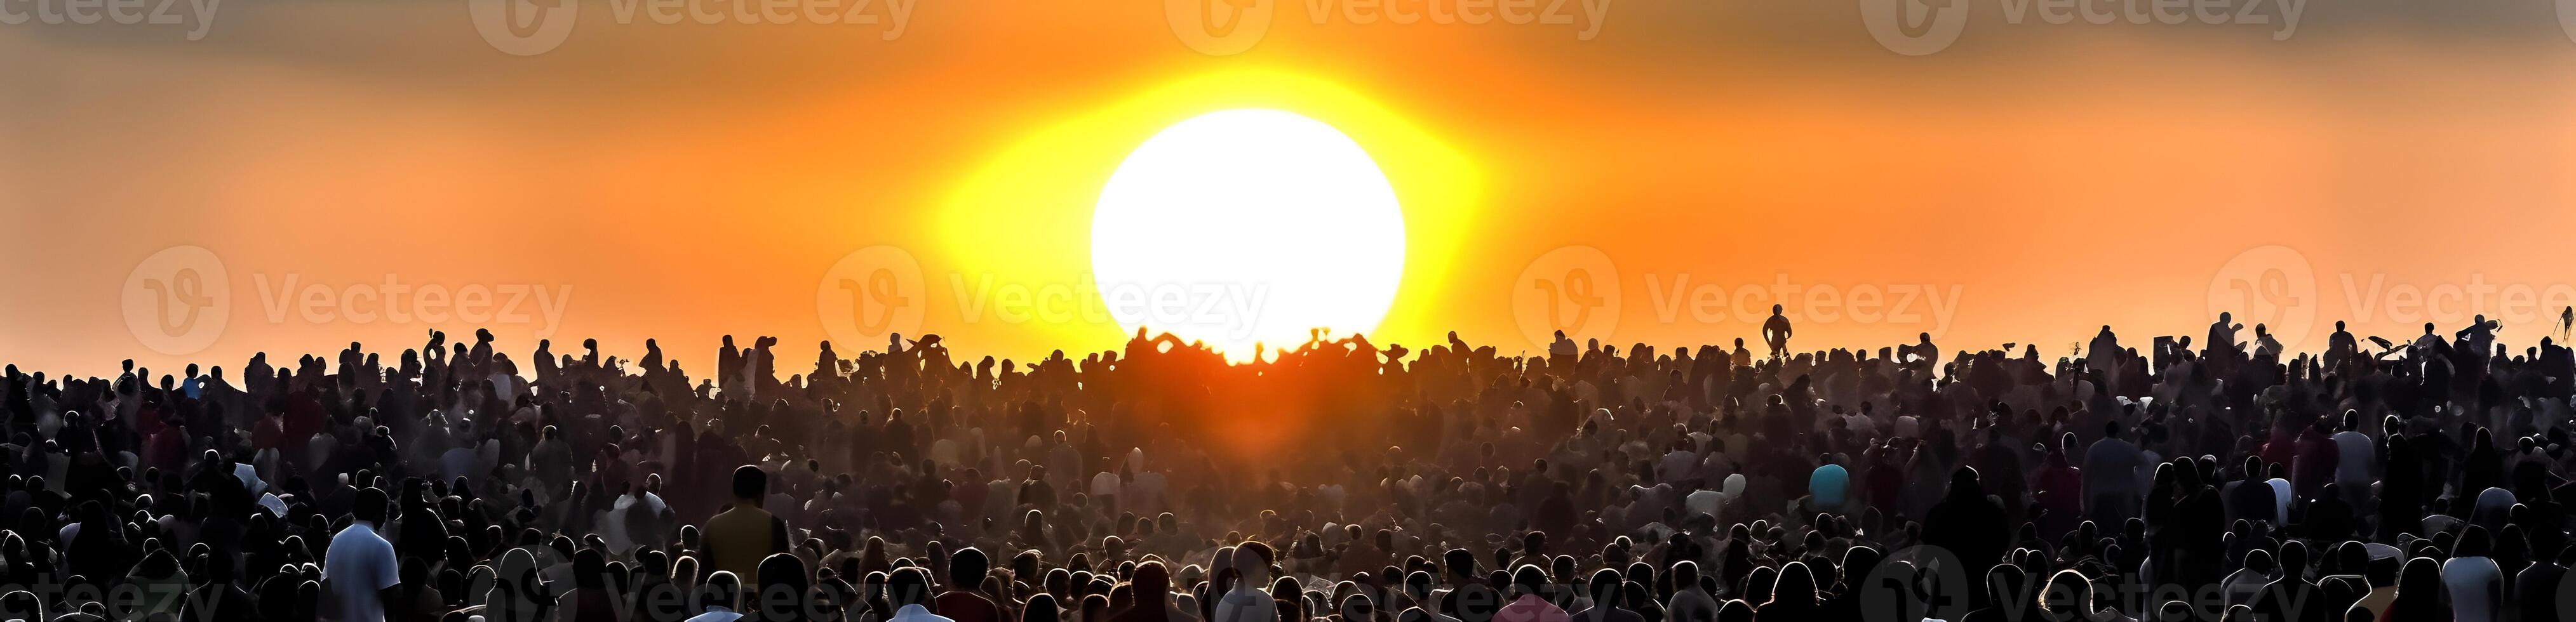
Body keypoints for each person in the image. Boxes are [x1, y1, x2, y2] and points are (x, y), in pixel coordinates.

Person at [322, 487, 401, 622]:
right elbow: (391, 601)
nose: (385, 518)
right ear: (379, 513)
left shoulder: (337, 540)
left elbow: (325, 584)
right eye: (385, 512)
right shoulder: (383, 546)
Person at [702, 465, 791, 584]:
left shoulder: (712, 525)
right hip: (761, 598)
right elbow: (785, 571)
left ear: (734, 491)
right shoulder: (774, 524)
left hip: (723, 598)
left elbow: (704, 574)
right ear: (761, 494)